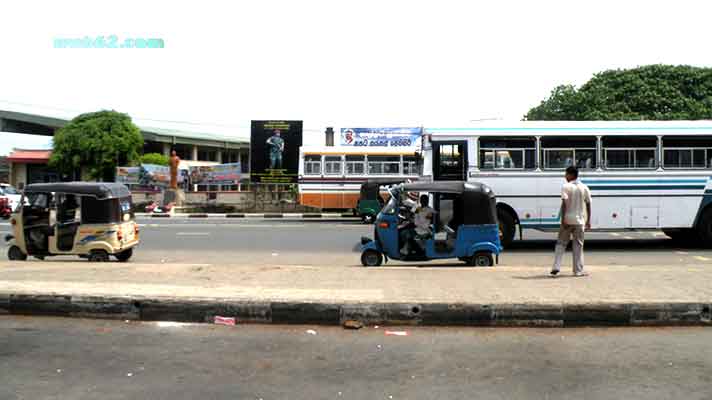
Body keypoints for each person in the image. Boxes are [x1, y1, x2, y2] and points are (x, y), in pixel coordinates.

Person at [551, 166, 592, 277]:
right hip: (580, 221)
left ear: (571, 175)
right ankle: (577, 271)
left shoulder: (566, 187)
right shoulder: (584, 187)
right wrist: (588, 220)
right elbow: (588, 204)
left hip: (568, 220)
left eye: (566, 174)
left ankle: (556, 267)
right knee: (578, 246)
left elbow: (564, 204)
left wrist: (563, 219)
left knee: (561, 243)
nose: (565, 176)